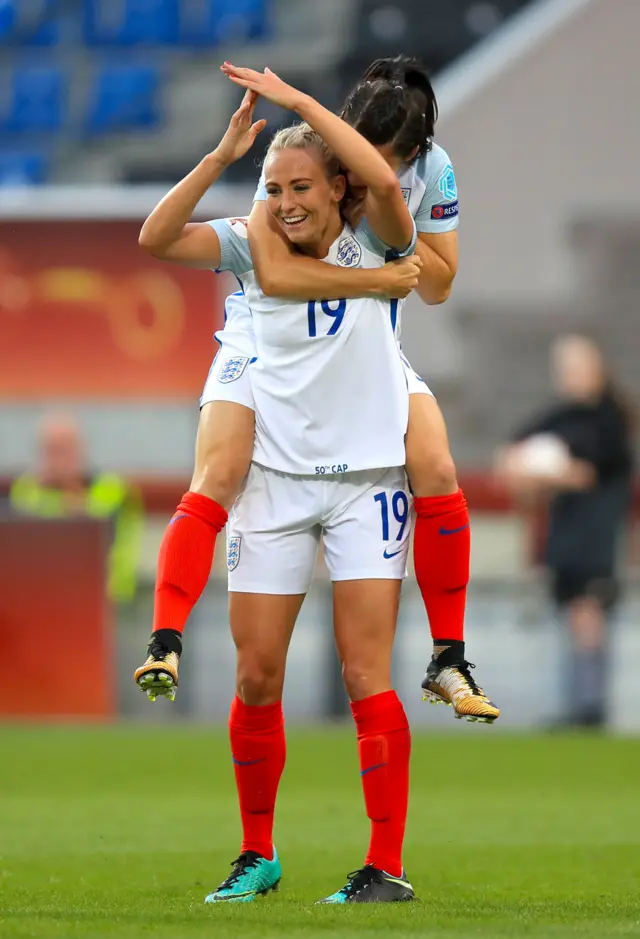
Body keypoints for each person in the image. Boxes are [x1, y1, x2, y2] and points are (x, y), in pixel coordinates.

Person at [136, 55, 499, 723]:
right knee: (219, 470)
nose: (356, 178)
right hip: (263, 344)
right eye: (349, 164)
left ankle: (449, 653)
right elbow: (269, 272)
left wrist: (398, 262)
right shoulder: (298, 169)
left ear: (408, 156)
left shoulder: (421, 179)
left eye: (371, 165)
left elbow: (439, 282)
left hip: (361, 345)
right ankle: (165, 636)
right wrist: (378, 276)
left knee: (438, 463)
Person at [138, 81, 421, 903]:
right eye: (274, 190)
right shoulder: (248, 243)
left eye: (302, 186)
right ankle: (257, 854)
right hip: (276, 483)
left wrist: (299, 101)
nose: (286, 203)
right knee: (258, 675)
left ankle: (384, 866)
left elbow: (382, 179)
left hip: (365, 482)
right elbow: (155, 237)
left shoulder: (379, 234)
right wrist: (222, 158)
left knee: (366, 671)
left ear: (338, 186)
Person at [496, 335, 634, 728]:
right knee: (571, 611)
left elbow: (586, 474)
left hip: (596, 533)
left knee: (587, 611)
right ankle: (578, 702)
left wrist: (544, 473)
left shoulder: (609, 420)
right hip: (565, 533)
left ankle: (590, 705)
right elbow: (512, 454)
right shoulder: (558, 418)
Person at [10, 414, 143, 603]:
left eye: (63, 450)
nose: (57, 459)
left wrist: (75, 502)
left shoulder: (114, 488)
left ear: (81, 449)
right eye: (50, 451)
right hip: (42, 597)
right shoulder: (26, 489)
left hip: (106, 597)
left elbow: (110, 540)